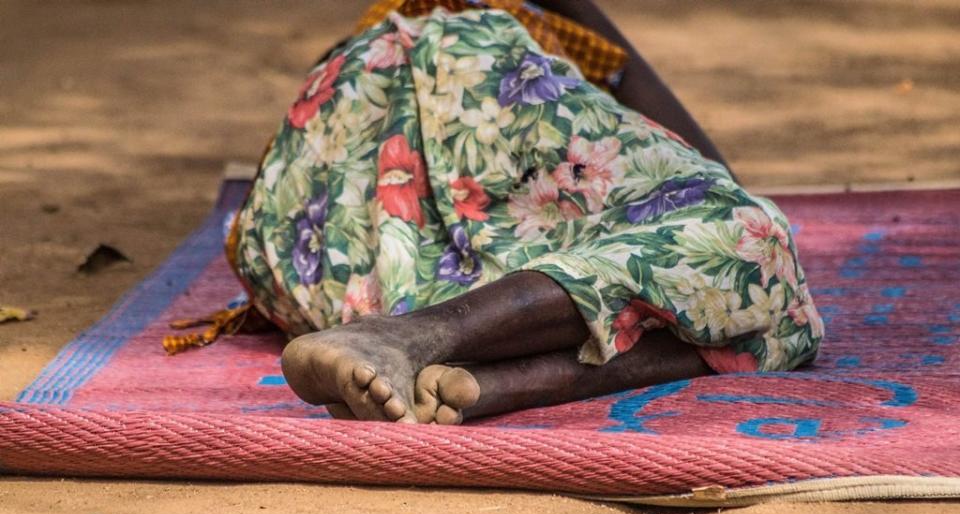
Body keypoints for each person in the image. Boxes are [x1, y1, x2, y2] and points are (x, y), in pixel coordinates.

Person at [225, 1, 824, 424]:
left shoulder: (357, 53)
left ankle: (482, 376)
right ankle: (410, 339)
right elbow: (720, 182)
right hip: (469, 93)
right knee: (759, 268)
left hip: (303, 236)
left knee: (757, 310)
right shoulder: (493, 25)